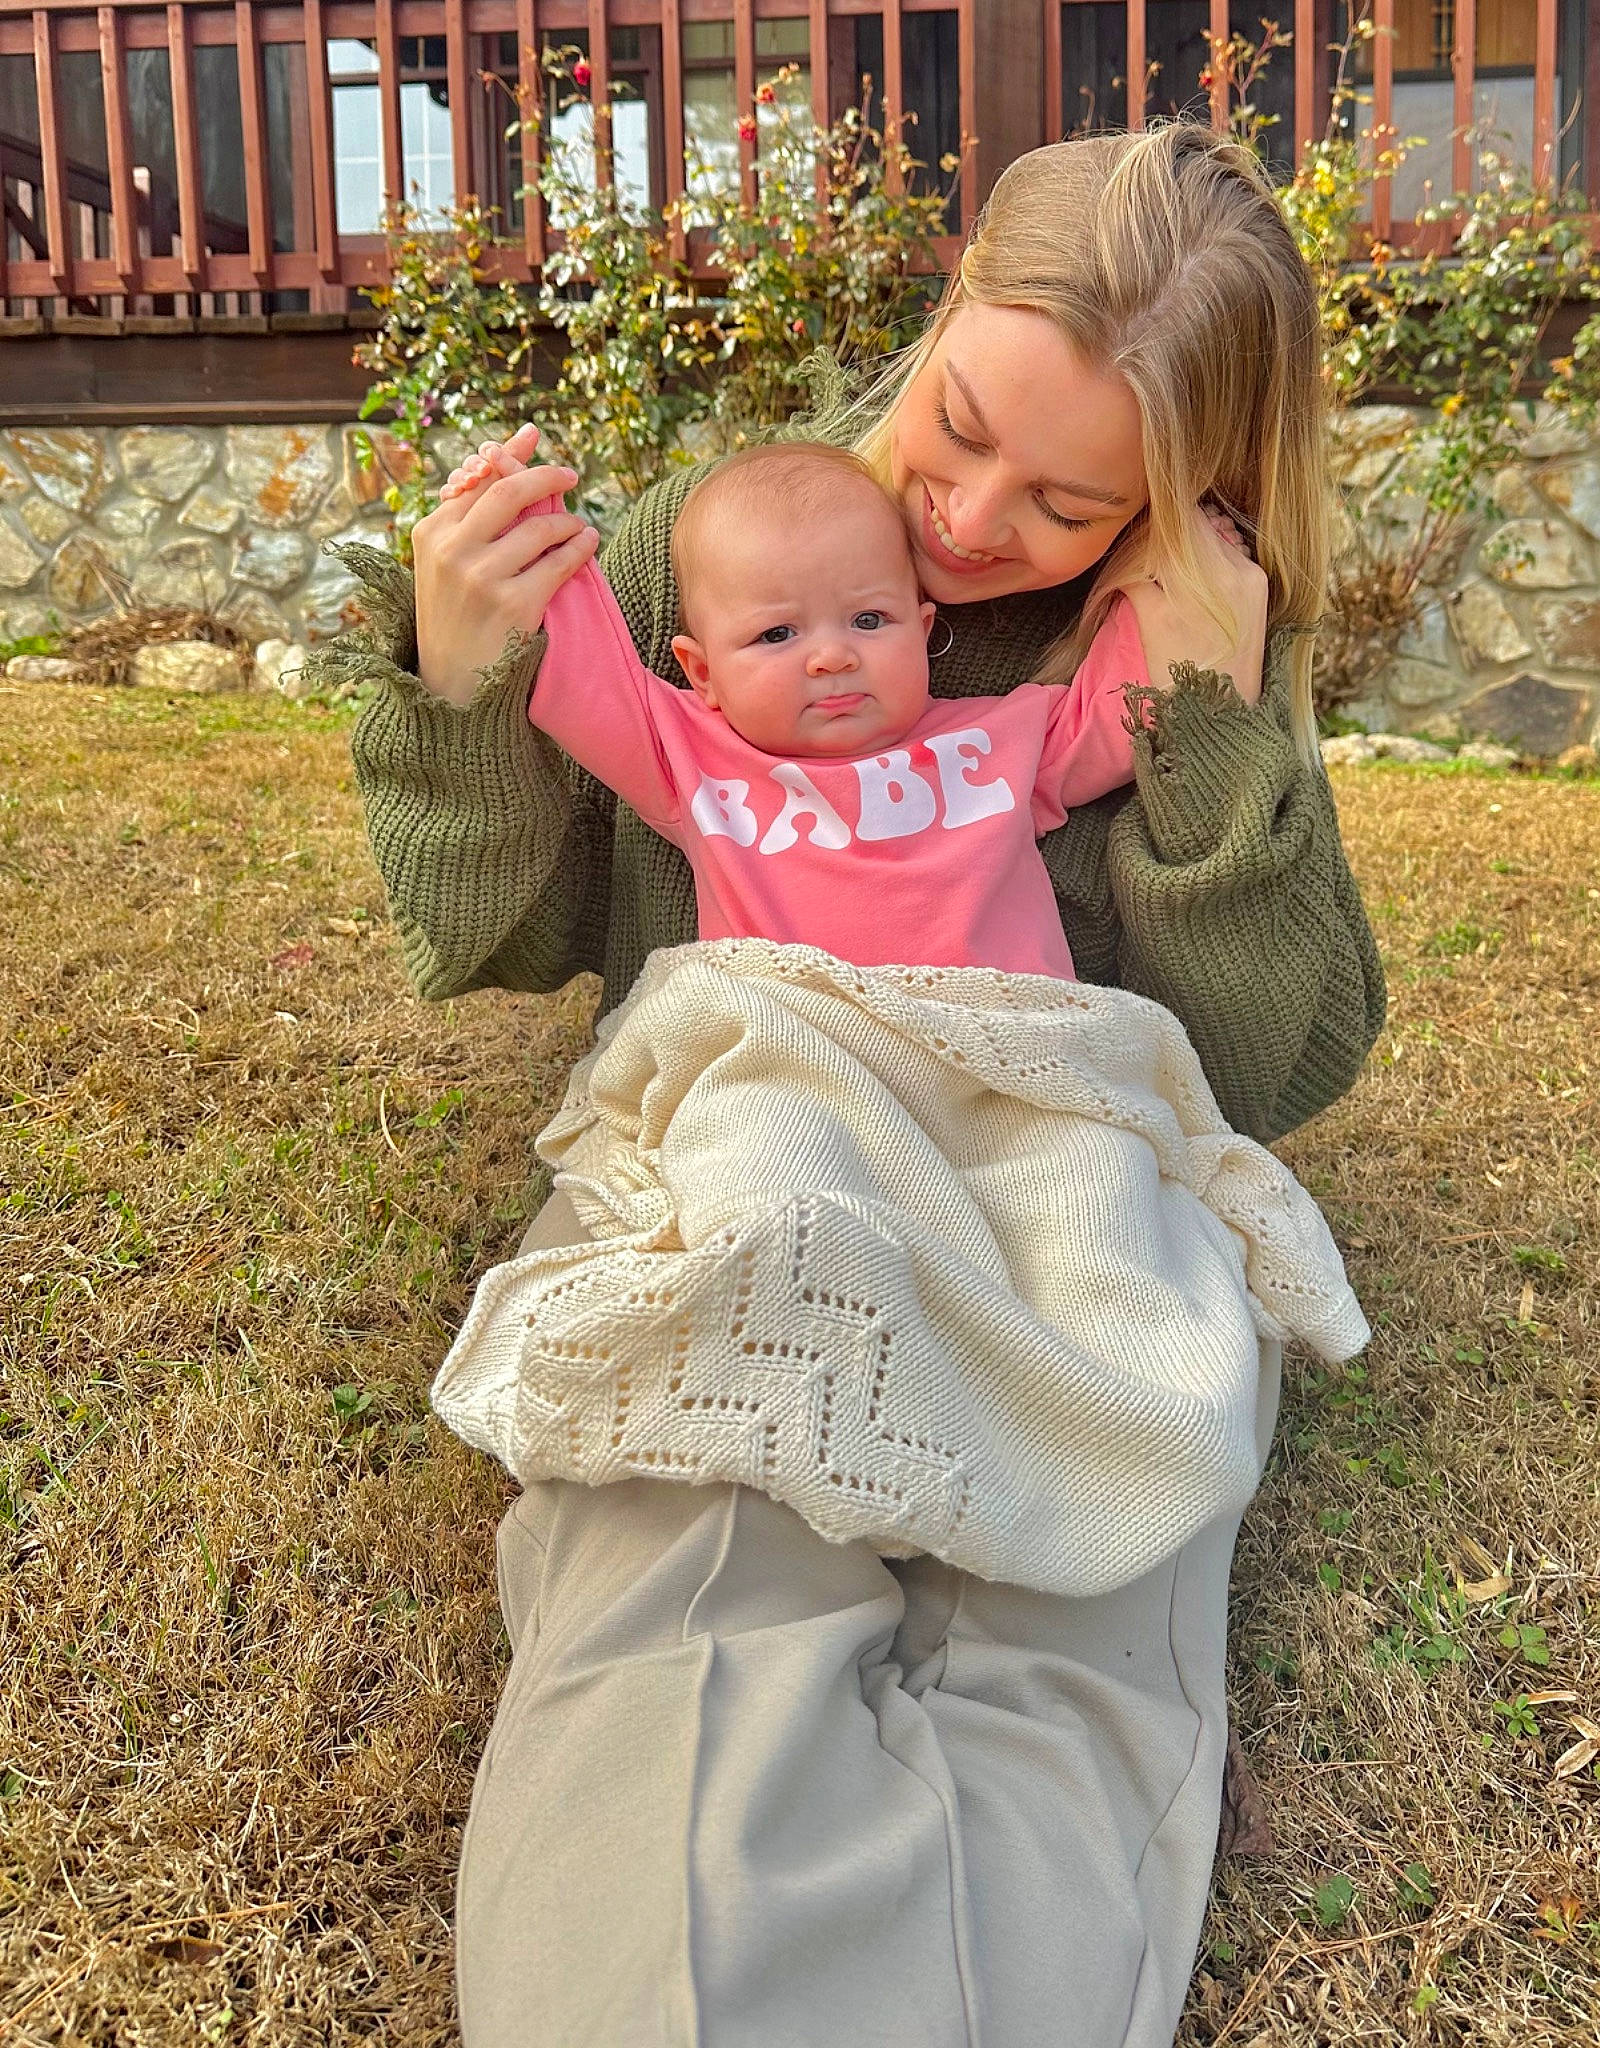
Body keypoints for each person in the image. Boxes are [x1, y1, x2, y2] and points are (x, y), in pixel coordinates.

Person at [319, 119, 1386, 2048]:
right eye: (959, 421)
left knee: (1089, 1561)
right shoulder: (714, 541)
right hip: (761, 1135)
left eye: (1067, 502)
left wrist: (1208, 726)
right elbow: (502, 914)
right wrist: (454, 669)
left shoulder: (1182, 630)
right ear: (947, 296)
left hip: (1055, 1168)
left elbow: (1271, 1057)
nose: (972, 519)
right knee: (690, 1537)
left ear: (1190, 495)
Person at [445, 435, 1158, 975]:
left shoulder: (1002, 741)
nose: (831, 657)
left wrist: (1182, 563)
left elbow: (1125, 706)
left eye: (871, 620)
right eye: (777, 634)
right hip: (794, 1052)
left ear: (923, 626)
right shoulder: (691, 757)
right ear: (702, 673)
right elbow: (586, 676)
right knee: (742, 1141)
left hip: (994, 1043)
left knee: (1092, 1163)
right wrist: (522, 519)